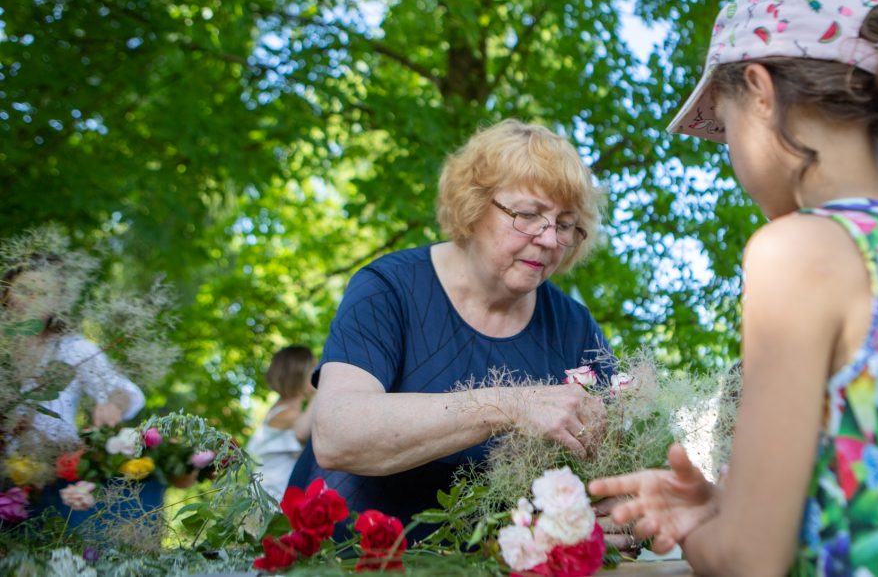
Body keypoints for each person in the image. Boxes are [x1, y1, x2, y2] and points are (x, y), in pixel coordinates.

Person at [589, 0, 878, 576]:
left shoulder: (795, 252)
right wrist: (731, 506)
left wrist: (696, 526)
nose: (731, 161)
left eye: (723, 130)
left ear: (759, 89)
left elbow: (752, 563)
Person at [288, 119, 611, 540]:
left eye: (565, 224)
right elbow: (336, 434)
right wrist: (509, 406)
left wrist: (614, 512)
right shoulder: (389, 289)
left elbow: (614, 458)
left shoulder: (574, 327)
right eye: (529, 215)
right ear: (474, 207)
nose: (549, 239)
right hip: (347, 558)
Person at [1, 254, 145, 448]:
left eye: (43, 294)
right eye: (24, 290)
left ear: (57, 303)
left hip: (55, 468)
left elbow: (126, 391)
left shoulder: (73, 349)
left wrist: (114, 405)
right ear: (6, 293)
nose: (33, 299)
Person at [247, 345, 317, 500]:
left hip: (268, 498)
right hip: (270, 501)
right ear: (300, 373)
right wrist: (321, 389)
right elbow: (303, 432)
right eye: (314, 367)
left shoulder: (279, 411)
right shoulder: (287, 415)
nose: (317, 372)